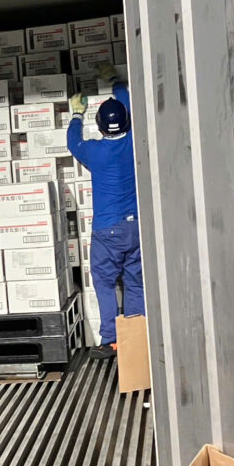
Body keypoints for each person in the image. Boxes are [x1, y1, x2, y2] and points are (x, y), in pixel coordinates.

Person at [67, 70, 145, 360]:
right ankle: (137, 336)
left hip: (107, 230)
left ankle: (111, 340)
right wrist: (117, 82)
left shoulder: (95, 151)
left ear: (100, 127)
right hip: (136, 227)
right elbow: (128, 105)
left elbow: (72, 142)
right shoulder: (135, 141)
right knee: (135, 281)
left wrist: (77, 114)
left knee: (104, 282)